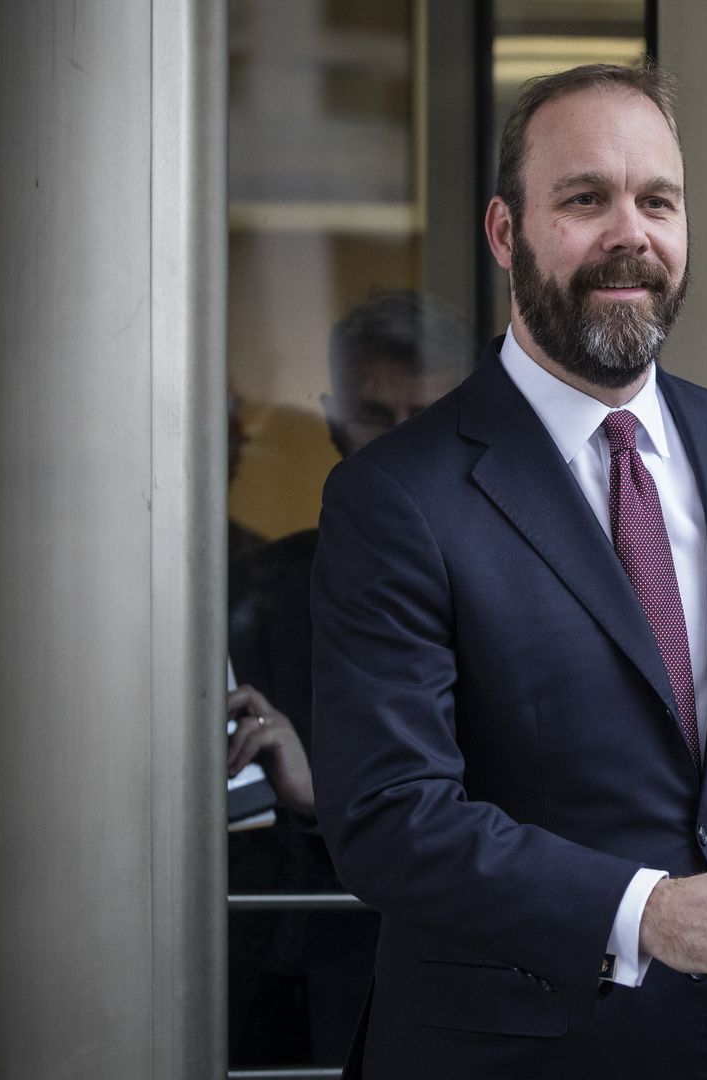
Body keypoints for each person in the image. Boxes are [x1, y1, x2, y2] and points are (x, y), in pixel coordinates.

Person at [310, 64, 707, 1079]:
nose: (631, 233)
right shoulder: (396, 495)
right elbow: (390, 817)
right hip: (510, 1054)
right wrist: (646, 912)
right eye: (584, 199)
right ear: (504, 234)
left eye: (657, 200)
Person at [224, 290, 472, 1067]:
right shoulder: (250, 586)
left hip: (415, 992)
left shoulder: (519, 601)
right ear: (333, 419)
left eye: (424, 418)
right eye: (375, 417)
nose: (399, 445)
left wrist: (318, 795)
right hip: (245, 981)